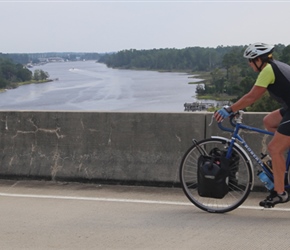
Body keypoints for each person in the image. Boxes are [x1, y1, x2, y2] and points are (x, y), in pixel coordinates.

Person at [214, 42, 290, 207]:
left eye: (250, 60)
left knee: (275, 148)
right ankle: (280, 164)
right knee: (269, 121)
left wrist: (229, 109)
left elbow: (252, 97)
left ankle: (280, 193)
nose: (249, 64)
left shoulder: (267, 70)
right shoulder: (276, 65)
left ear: (259, 60)